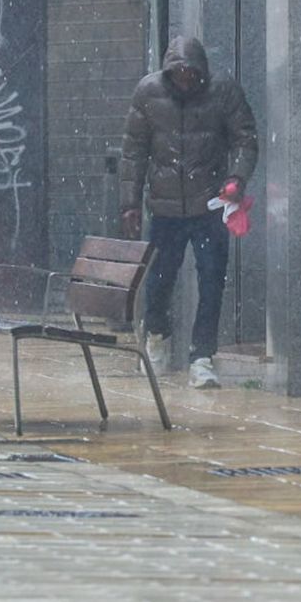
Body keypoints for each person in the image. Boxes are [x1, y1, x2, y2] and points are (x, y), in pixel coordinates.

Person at [121, 36, 258, 390]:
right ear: (168, 73)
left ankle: (202, 355)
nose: (184, 79)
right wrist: (130, 202)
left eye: (190, 73)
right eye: (178, 73)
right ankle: (157, 337)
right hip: (165, 208)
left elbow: (245, 138)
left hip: (209, 205)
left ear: (201, 73)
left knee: (212, 280)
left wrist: (236, 179)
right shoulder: (148, 93)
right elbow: (134, 151)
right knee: (159, 281)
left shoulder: (223, 93)